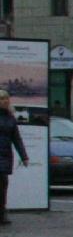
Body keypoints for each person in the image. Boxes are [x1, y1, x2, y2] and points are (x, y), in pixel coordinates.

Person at [0, 94, 29, 225]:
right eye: (1, 99)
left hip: (5, 155)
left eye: (6, 98)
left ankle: (2, 213)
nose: (5, 101)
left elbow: (16, 139)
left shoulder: (10, 118)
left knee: (3, 184)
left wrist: (24, 156)